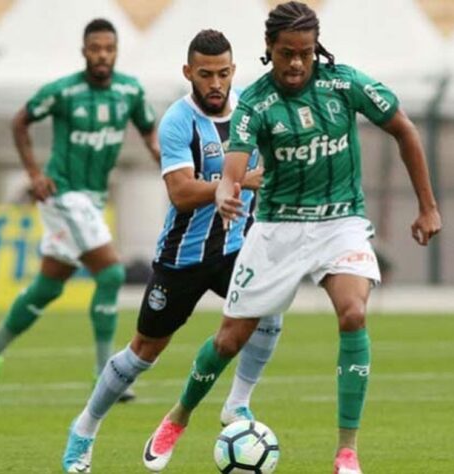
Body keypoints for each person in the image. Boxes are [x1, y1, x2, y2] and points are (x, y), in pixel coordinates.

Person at [142, 3, 442, 473]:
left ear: (316, 49)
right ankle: (178, 417)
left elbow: (404, 129)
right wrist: (225, 191)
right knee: (229, 339)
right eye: (287, 54)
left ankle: (347, 451)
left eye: (305, 53)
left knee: (354, 313)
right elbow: (235, 166)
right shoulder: (256, 105)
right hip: (278, 227)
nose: (297, 63)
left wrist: (427, 206)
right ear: (269, 51)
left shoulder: (345, 84)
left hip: (340, 220)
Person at [61, 29, 283, 474]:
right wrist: (236, 183)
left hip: (238, 245)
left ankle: (236, 405)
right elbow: (181, 193)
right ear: (189, 73)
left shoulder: (251, 111)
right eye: (205, 74)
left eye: (223, 73)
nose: (215, 83)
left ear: (233, 71)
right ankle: (84, 429)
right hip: (183, 256)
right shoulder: (178, 121)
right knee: (143, 351)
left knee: (270, 306)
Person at [0, 18, 160, 402]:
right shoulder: (64, 91)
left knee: (48, 286)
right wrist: (33, 174)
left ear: (117, 51)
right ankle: (106, 375)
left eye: (109, 48)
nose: (102, 55)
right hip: (63, 194)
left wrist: (166, 161)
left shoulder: (130, 91)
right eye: (96, 48)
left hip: (92, 199)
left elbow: (148, 131)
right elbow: (20, 120)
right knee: (111, 274)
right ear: (84, 51)